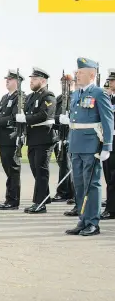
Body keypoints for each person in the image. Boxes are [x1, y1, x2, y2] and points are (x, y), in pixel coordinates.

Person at [64, 58, 113, 235]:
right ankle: (83, 219)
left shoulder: (99, 93)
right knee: (79, 184)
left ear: (92, 74)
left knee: (91, 185)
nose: (77, 75)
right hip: (76, 144)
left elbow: (108, 120)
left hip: (92, 145)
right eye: (77, 72)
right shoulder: (76, 94)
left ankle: (93, 222)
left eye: (81, 72)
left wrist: (107, 146)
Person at [16, 67, 57, 214]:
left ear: (43, 81)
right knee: (35, 170)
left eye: (34, 79)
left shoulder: (48, 96)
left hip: (44, 138)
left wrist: (25, 119)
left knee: (41, 171)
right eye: (31, 79)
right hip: (33, 138)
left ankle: (40, 203)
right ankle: (44, 198)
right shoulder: (31, 97)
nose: (31, 81)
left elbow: (44, 115)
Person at [0, 69, 24, 210]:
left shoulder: (20, 97)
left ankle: (13, 200)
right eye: (7, 79)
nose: (7, 81)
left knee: (13, 170)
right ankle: (9, 198)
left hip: (12, 137)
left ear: (18, 82)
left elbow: (14, 118)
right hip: (3, 138)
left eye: (10, 79)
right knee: (8, 170)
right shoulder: (5, 97)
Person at [52, 74, 76, 202]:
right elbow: (53, 116)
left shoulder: (74, 96)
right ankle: (67, 191)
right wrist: (59, 119)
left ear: (72, 83)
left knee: (67, 164)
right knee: (62, 163)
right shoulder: (59, 98)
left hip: (70, 133)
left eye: (66, 82)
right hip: (59, 133)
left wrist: (68, 119)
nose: (63, 84)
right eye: (62, 82)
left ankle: (65, 192)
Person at [101, 69, 115, 220]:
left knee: (113, 178)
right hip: (109, 142)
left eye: (112, 80)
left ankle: (111, 210)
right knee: (109, 177)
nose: (110, 83)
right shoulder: (110, 100)